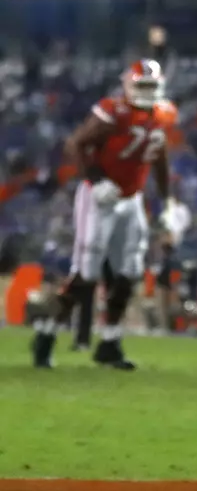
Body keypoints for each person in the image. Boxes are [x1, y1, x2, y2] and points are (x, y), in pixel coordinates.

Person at [34, 60, 184, 371]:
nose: (145, 92)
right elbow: (76, 143)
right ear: (128, 85)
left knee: (129, 270)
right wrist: (96, 179)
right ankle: (46, 335)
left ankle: (110, 342)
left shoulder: (164, 114)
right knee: (87, 273)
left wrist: (167, 202)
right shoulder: (113, 111)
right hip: (98, 197)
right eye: (140, 86)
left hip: (131, 200)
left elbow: (160, 158)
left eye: (150, 86)